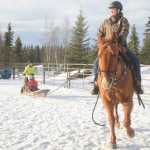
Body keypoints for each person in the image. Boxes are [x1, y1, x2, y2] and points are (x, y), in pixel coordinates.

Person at [91, 1, 143, 95]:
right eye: (111, 9)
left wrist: (120, 38)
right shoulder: (106, 22)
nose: (112, 11)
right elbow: (100, 33)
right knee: (96, 63)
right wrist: (101, 41)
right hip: (107, 48)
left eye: (113, 9)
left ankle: (137, 83)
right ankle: (95, 84)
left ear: (118, 10)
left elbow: (125, 31)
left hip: (120, 46)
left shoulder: (123, 20)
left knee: (135, 60)